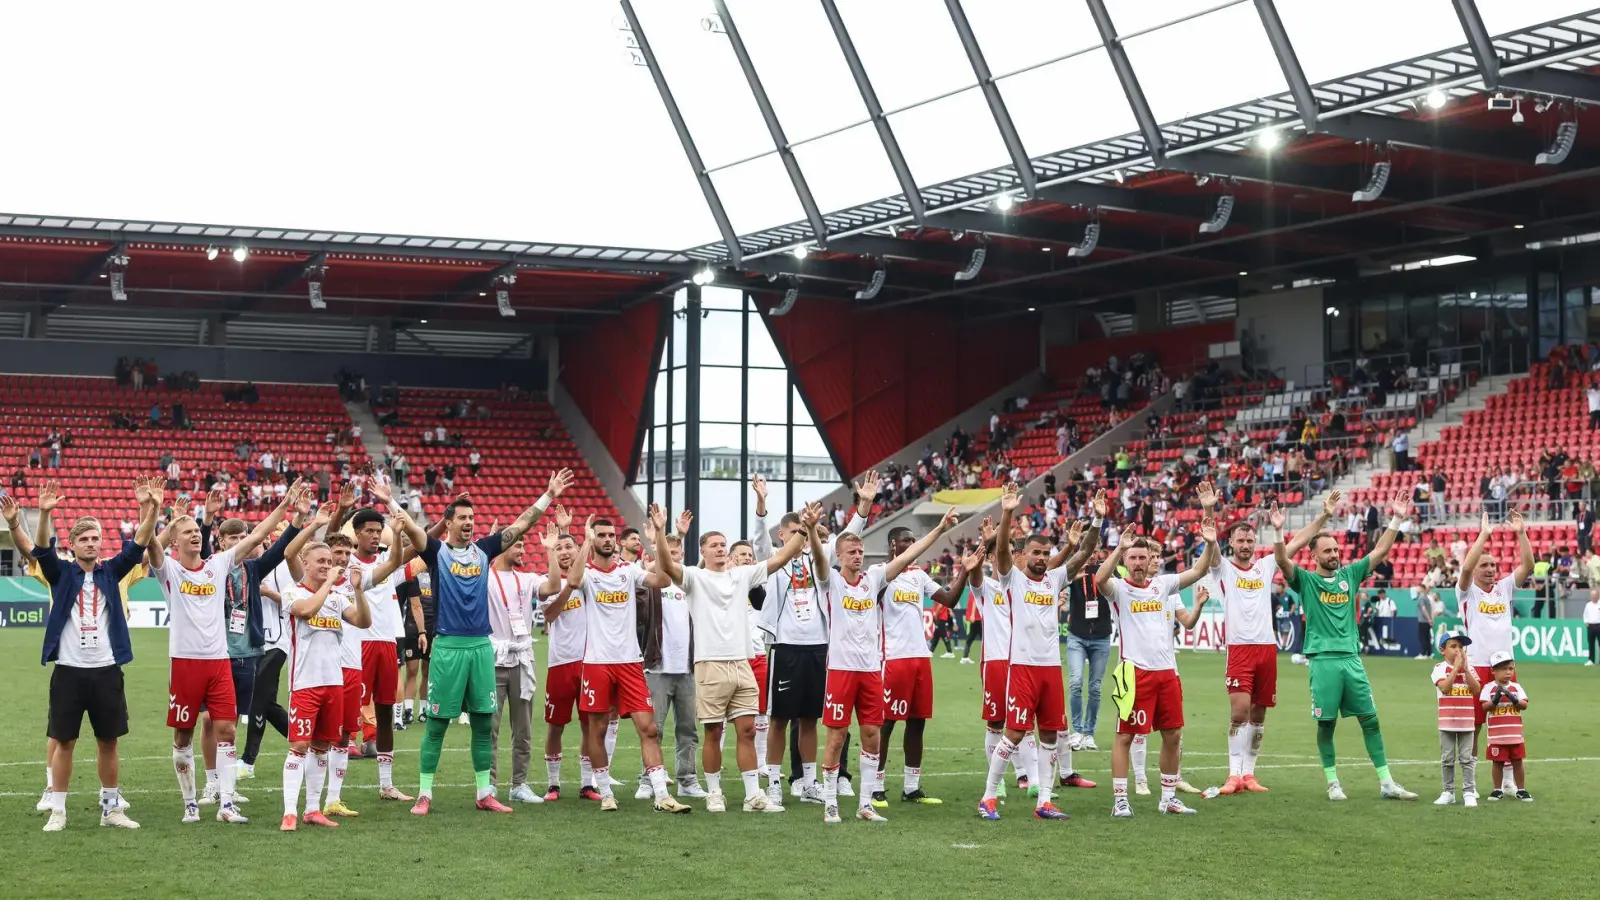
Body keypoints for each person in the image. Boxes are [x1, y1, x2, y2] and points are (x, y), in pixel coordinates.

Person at [378, 469, 573, 815]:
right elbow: (408, 525)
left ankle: (485, 793)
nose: (469, 522)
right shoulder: (436, 551)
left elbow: (522, 524)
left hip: (481, 648)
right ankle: (425, 794)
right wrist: (390, 499)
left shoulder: (484, 550)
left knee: (484, 722)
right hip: (449, 647)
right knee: (437, 722)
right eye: (463, 518)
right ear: (449, 522)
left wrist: (549, 494)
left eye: (472, 518)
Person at [150, 476, 298, 824]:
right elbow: (148, 546)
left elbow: (258, 536)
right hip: (185, 663)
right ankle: (190, 802)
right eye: (187, 532)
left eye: (197, 530)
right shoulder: (168, 570)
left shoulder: (217, 565)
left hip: (219, 663)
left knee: (228, 730)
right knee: (183, 734)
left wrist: (286, 505)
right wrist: (163, 514)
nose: (195, 534)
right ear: (174, 540)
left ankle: (227, 804)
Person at [651, 502, 813, 813]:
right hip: (709, 663)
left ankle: (754, 796)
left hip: (741, 662)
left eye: (724, 544)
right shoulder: (694, 578)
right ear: (703, 551)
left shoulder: (742, 574)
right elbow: (667, 566)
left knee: (748, 730)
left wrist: (804, 528)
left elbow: (781, 557)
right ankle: (714, 792)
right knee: (713, 731)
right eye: (714, 545)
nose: (721, 549)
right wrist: (660, 532)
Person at [18, 478, 156, 832]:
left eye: (95, 538)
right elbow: (42, 551)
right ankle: (58, 811)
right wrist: (45, 513)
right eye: (84, 539)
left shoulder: (112, 571)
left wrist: (150, 507)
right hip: (69, 671)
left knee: (108, 741)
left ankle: (111, 809)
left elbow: (140, 542)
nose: (91, 543)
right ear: (73, 544)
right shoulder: (62, 573)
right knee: (64, 741)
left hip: (106, 670)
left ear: (101, 542)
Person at [1272, 491, 1419, 803]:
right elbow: (1282, 560)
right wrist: (1276, 532)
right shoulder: (1306, 581)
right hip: (1323, 661)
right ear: (1314, 556)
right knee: (1326, 724)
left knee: (1371, 719)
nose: (1334, 554)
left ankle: (1386, 782)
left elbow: (1379, 553)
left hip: (1352, 659)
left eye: (1336, 549)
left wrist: (1396, 519)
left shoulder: (1350, 575)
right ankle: (1333, 782)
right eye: (1327, 551)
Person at [808, 505, 951, 825]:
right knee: (837, 736)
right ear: (840, 556)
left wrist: (940, 529)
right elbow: (819, 559)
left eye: (860, 551)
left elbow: (908, 555)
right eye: (851, 552)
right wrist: (811, 531)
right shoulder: (830, 580)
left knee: (872, 734)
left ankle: (865, 803)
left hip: (872, 671)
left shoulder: (874, 578)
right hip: (842, 670)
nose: (858, 556)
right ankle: (830, 801)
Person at [977, 482, 1100, 822]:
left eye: (1046, 554)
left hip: (1050, 669)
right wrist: (1006, 512)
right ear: (1025, 555)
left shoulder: (1055, 579)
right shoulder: (1011, 580)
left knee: (1050, 734)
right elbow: (1001, 550)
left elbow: (1084, 553)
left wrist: (1098, 522)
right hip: (1022, 667)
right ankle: (988, 797)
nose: (1042, 559)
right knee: (1015, 733)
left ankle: (1044, 800)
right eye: (1036, 553)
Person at [755, 472, 873, 806]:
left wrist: (863, 506)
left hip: (820, 648)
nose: (800, 537)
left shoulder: (817, 559)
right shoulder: (774, 561)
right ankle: (775, 782)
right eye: (794, 532)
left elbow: (851, 536)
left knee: (810, 718)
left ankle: (808, 783)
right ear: (782, 534)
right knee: (779, 720)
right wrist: (761, 505)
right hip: (786, 648)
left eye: (803, 532)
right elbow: (759, 540)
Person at [563, 511, 691, 814]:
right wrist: (585, 541)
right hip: (597, 663)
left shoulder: (628, 571)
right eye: (601, 536)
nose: (607, 540)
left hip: (630, 662)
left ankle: (662, 795)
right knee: (596, 730)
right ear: (595, 539)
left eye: (610, 536)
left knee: (647, 728)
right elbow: (573, 579)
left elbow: (662, 579)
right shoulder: (588, 573)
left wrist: (659, 535)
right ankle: (605, 791)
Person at [1098, 515, 1218, 818]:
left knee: (1173, 734)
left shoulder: (1163, 585)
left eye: (1143, 557)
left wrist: (1210, 542)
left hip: (1166, 673)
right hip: (1133, 672)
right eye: (1133, 557)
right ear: (1126, 560)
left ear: (1150, 558)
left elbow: (1198, 569)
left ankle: (1168, 798)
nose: (1139, 562)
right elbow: (1099, 579)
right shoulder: (1119, 589)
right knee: (1125, 736)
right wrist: (1118, 548)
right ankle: (1120, 799)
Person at [1206, 485, 1321, 796]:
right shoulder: (1223, 570)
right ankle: (1232, 774)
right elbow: (1210, 542)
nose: (1246, 544)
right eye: (1240, 540)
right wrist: (1208, 510)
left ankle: (1249, 774)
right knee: (1239, 711)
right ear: (1231, 543)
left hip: (1266, 649)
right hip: (1240, 650)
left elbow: (1297, 542)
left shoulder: (1266, 565)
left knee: (1258, 714)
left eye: (1249, 540)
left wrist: (1323, 516)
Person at [195, 487, 305, 804]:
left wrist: (295, 515)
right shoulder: (212, 566)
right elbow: (199, 550)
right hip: (214, 653)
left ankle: (229, 786)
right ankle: (212, 782)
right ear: (222, 542)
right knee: (207, 720)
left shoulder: (255, 569)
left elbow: (281, 545)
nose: (241, 541)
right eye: (232, 538)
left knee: (229, 724)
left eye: (244, 535)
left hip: (246, 655)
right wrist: (208, 518)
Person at [869, 519, 968, 809]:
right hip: (893, 659)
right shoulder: (878, 574)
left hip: (920, 658)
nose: (912, 546)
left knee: (917, 723)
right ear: (892, 545)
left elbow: (949, 600)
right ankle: (876, 788)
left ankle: (911, 788)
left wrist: (966, 570)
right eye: (906, 541)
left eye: (914, 541)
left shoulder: (919, 576)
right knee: (886, 724)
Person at [279, 544, 372, 831]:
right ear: (304, 562)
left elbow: (363, 621)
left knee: (320, 747)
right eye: (320, 560)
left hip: (334, 682)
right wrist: (331, 581)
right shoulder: (293, 592)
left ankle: (312, 810)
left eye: (329, 561)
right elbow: (306, 611)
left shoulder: (337, 598)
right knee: (299, 746)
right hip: (305, 683)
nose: (326, 565)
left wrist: (357, 590)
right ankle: (289, 812)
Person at [1458, 510, 1533, 795]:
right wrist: (1484, 535)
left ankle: (1510, 781)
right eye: (1485, 565)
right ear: (1475, 567)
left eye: (1493, 564)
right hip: (1477, 666)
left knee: (1509, 720)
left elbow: (1528, 564)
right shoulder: (1466, 591)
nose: (1491, 569)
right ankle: (1471, 782)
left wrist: (1521, 533)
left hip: (1504, 667)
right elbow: (1464, 570)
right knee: (1475, 726)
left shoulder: (1504, 588)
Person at [344, 501, 414, 802]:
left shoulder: (388, 564)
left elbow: (408, 553)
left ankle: (386, 784)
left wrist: (399, 531)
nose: (375, 536)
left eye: (379, 531)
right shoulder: (345, 564)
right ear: (357, 533)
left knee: (386, 712)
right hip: (356, 645)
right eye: (369, 531)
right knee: (346, 715)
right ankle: (332, 789)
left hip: (386, 643)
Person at [636, 517, 702, 801]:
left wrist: (680, 535)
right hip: (657, 666)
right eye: (667, 553)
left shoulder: (691, 583)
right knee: (654, 729)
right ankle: (649, 780)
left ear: (682, 556)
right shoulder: (651, 583)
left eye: (676, 553)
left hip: (687, 667)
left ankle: (687, 779)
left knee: (688, 728)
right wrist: (655, 544)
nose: (671, 557)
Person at [534, 511, 596, 801]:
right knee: (555, 725)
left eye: (569, 546)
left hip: (589, 662)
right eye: (558, 547)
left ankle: (587, 784)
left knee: (588, 724)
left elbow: (582, 571)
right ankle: (554, 784)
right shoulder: (546, 582)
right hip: (560, 663)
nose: (564, 551)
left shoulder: (590, 580)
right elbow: (549, 614)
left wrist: (572, 534)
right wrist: (567, 584)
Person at [486, 528, 543, 804]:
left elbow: (554, 586)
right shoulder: (485, 577)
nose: (522, 550)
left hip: (522, 660)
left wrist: (553, 551)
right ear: (502, 546)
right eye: (517, 545)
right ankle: (489, 784)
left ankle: (519, 784)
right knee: (490, 728)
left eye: (523, 545)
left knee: (523, 729)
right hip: (494, 659)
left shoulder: (528, 578)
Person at [1431, 631, 1481, 807]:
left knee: (1466, 759)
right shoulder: (1439, 668)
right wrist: (1455, 668)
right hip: (1447, 723)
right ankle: (1448, 791)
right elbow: (1444, 688)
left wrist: (1465, 668)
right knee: (1447, 759)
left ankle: (1469, 792)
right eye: (1453, 646)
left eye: (1461, 647)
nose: (1458, 650)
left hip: (1467, 722)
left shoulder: (1470, 669)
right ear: (1443, 650)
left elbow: (1476, 689)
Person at [1479, 653, 1532, 802]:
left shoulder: (1516, 687)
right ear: (1493, 671)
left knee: (1517, 761)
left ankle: (1521, 789)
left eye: (1511, 669)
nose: (1508, 672)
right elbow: (1485, 707)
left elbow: (1524, 705)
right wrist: (1495, 699)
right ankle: (1497, 789)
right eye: (1503, 669)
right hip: (1497, 736)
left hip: (1515, 735)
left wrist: (1512, 698)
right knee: (1498, 763)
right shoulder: (1488, 688)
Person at [1585, 589, 1600, 666]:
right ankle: (1591, 660)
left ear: (1598, 595)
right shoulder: (1588, 605)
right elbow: (1585, 614)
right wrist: (1586, 621)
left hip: (1599, 625)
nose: (1593, 597)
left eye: (1595, 595)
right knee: (1591, 644)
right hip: (1590, 626)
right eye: (1592, 595)